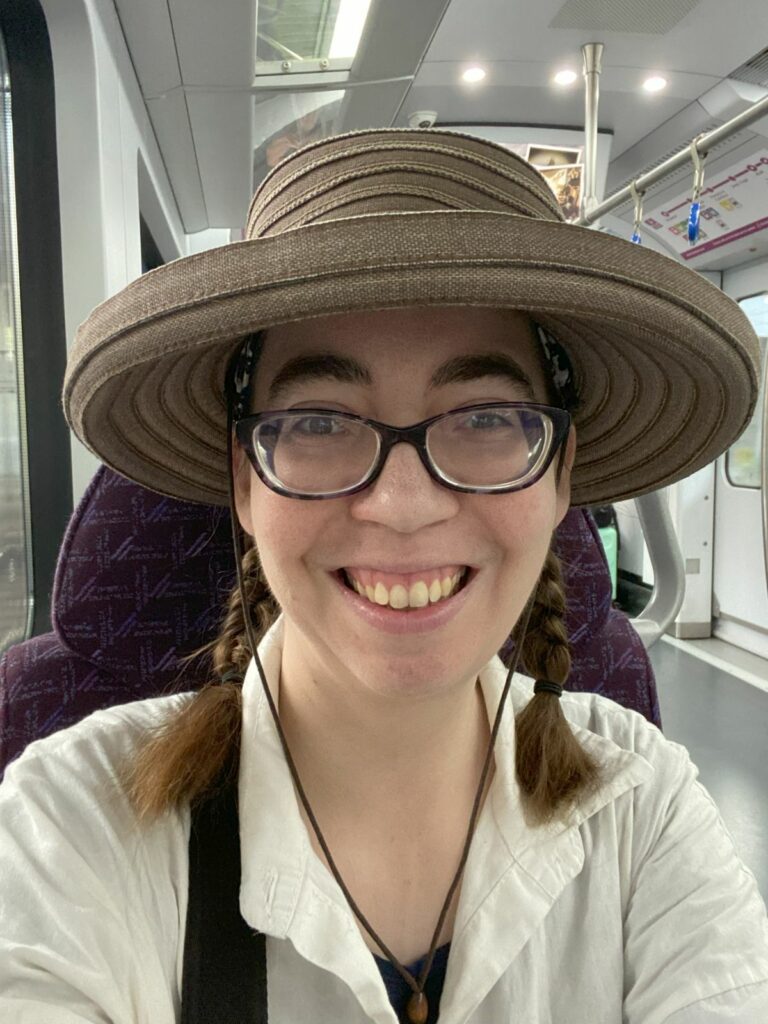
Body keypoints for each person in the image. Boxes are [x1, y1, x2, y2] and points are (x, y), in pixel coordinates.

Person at [1, 128, 767, 1023]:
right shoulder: (70, 829)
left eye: (485, 416)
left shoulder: (643, 810)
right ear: (245, 481)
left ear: (561, 476)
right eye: (320, 423)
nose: (403, 506)